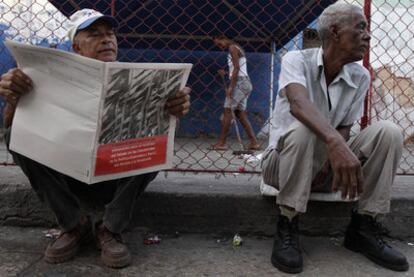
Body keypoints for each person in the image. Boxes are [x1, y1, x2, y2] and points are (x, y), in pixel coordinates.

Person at [0, 9, 190, 269]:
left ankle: (110, 227)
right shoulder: (45, 77)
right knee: (13, 135)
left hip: (116, 176)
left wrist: (172, 112)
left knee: (156, 139)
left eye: (110, 34)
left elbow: (162, 133)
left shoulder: (139, 79)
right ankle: (72, 223)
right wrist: (13, 98)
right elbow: (11, 130)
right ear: (76, 46)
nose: (107, 39)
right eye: (95, 34)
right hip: (67, 174)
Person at [261, 2, 409, 274]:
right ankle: (288, 222)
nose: (368, 35)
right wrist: (335, 145)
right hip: (282, 165)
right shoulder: (296, 60)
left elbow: (344, 126)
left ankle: (363, 227)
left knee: (389, 132)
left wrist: (330, 158)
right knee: (305, 128)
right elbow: (298, 104)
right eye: (360, 28)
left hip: (325, 167)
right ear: (335, 32)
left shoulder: (360, 75)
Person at [209, 35, 260, 151]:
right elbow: (238, 68)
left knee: (228, 110)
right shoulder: (237, 47)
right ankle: (254, 142)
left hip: (240, 83)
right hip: (244, 82)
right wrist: (226, 73)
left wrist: (230, 87)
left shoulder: (232, 47)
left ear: (224, 38)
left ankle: (221, 143)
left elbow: (237, 68)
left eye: (219, 43)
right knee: (239, 113)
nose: (220, 46)